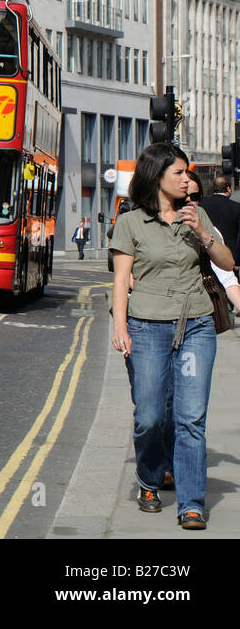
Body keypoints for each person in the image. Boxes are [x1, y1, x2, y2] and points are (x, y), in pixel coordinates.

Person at [109, 143, 234, 530]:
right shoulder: (130, 222)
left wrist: (202, 232)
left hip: (196, 324)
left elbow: (228, 262)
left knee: (191, 418)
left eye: (187, 172)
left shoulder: (198, 215)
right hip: (147, 327)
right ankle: (149, 478)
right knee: (149, 417)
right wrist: (120, 328)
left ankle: (191, 503)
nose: (187, 179)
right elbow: (119, 281)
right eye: (178, 172)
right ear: (156, 176)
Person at [198, 174, 240, 314]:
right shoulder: (236, 207)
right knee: (230, 283)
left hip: (205, 253)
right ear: (228, 189)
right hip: (229, 254)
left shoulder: (202, 206)